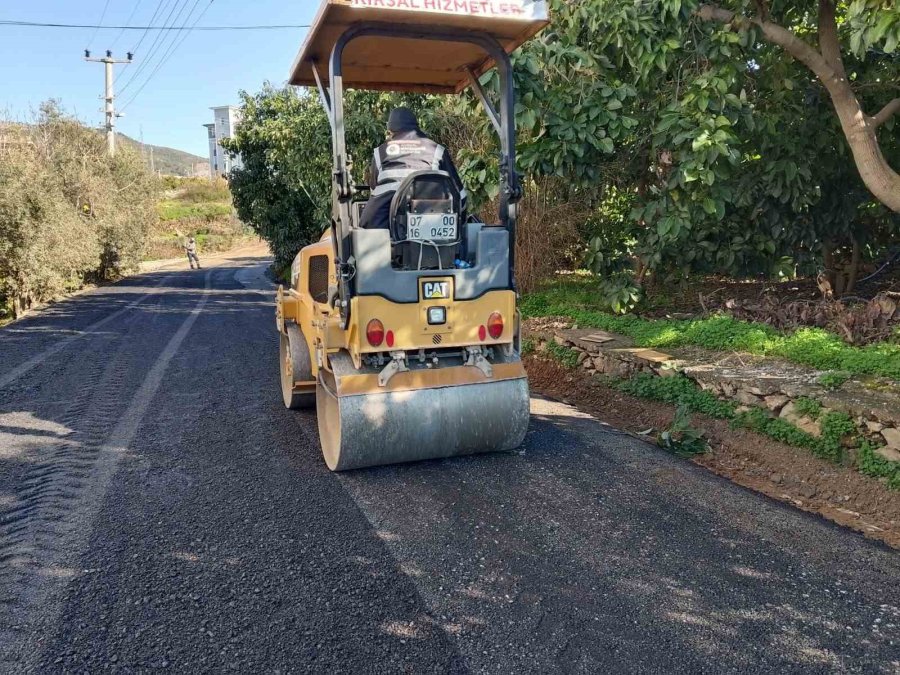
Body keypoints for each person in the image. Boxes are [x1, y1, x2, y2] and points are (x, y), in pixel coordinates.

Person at [359, 107, 467, 231]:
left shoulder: (380, 152)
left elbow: (374, 189)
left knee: (365, 229)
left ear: (391, 130)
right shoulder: (436, 149)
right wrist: (460, 226)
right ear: (416, 126)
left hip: (387, 224)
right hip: (432, 222)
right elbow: (461, 195)